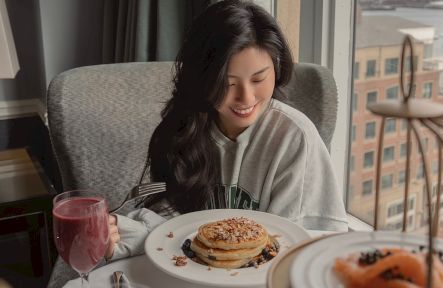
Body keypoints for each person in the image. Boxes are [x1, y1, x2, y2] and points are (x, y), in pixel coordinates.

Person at [105, 0, 347, 261]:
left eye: (258, 79)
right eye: (228, 83)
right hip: (198, 278)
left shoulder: (293, 137)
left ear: (276, 70)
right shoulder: (186, 128)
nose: (246, 97)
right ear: (202, 80)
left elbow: (286, 243)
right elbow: (173, 223)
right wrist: (124, 235)